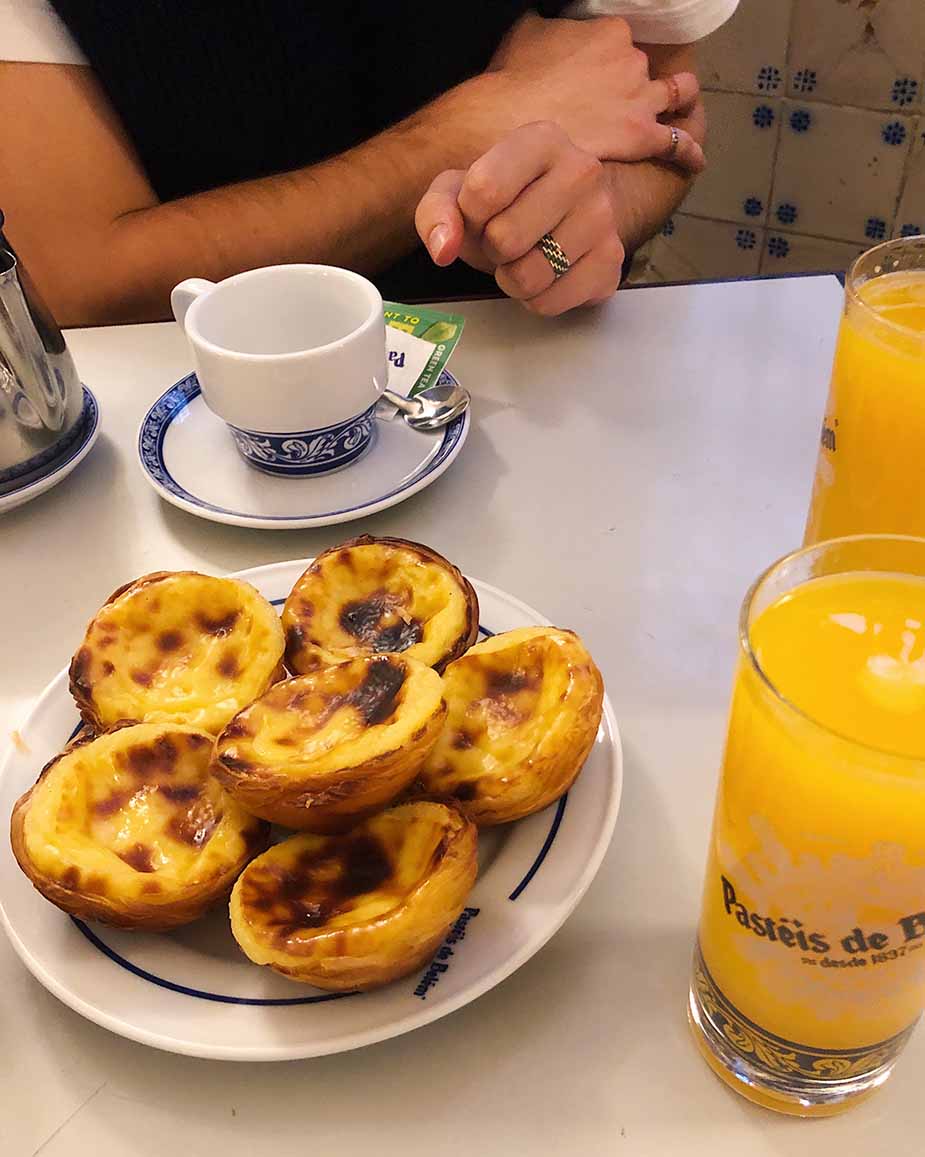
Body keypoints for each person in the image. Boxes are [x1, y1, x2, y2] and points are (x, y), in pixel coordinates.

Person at [0, 2, 737, 326]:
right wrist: (463, 133)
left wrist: (582, 207)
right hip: (187, 424)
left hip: (541, 370)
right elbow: (79, 286)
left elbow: (664, 116)